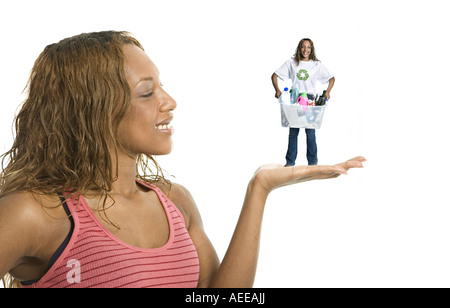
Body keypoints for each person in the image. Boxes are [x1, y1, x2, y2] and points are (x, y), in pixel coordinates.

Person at [0, 31, 364, 288]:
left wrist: (259, 189)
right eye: (147, 92)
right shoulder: (34, 213)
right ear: (92, 110)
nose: (169, 101)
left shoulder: (175, 202)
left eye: (161, 85)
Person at [272, 38, 335, 166]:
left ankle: (312, 163)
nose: (305, 50)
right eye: (303, 46)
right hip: (295, 100)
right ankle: (290, 162)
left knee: (310, 133)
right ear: (299, 48)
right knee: (293, 132)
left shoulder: (316, 65)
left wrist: (327, 92)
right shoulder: (292, 63)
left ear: (311, 50)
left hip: (310, 102)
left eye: (308, 47)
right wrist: (277, 90)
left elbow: (331, 78)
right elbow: (274, 75)